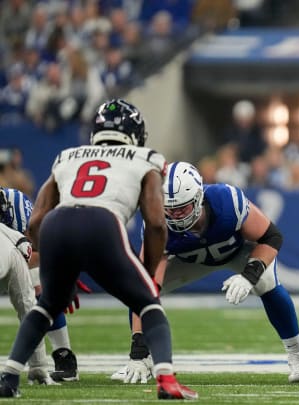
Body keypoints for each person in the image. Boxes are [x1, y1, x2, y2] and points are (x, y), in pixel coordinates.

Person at [0, 99, 198, 400]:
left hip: (57, 224)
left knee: (46, 306)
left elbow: (38, 218)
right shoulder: (147, 158)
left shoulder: (68, 156)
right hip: (102, 223)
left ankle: (9, 377)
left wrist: (55, 262)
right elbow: (156, 222)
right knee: (150, 304)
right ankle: (167, 380)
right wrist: (147, 271)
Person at [110, 161, 299, 384]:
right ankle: (144, 359)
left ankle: (298, 356)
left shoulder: (225, 200)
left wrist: (250, 276)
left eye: (183, 208)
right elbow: (147, 285)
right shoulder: (158, 223)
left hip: (238, 251)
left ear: (198, 197)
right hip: (190, 260)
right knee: (140, 290)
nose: (176, 216)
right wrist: (137, 350)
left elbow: (272, 237)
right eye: (170, 209)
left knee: (267, 284)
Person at [0, 186, 82, 382]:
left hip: (12, 258)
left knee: (39, 282)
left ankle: (63, 356)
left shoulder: (20, 208)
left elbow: (38, 251)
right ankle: (38, 366)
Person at [0, 190, 55, 386]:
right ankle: (39, 367)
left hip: (13, 251)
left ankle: (39, 366)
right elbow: (26, 246)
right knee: (29, 305)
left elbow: (29, 247)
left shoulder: (15, 205)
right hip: (14, 251)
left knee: (31, 300)